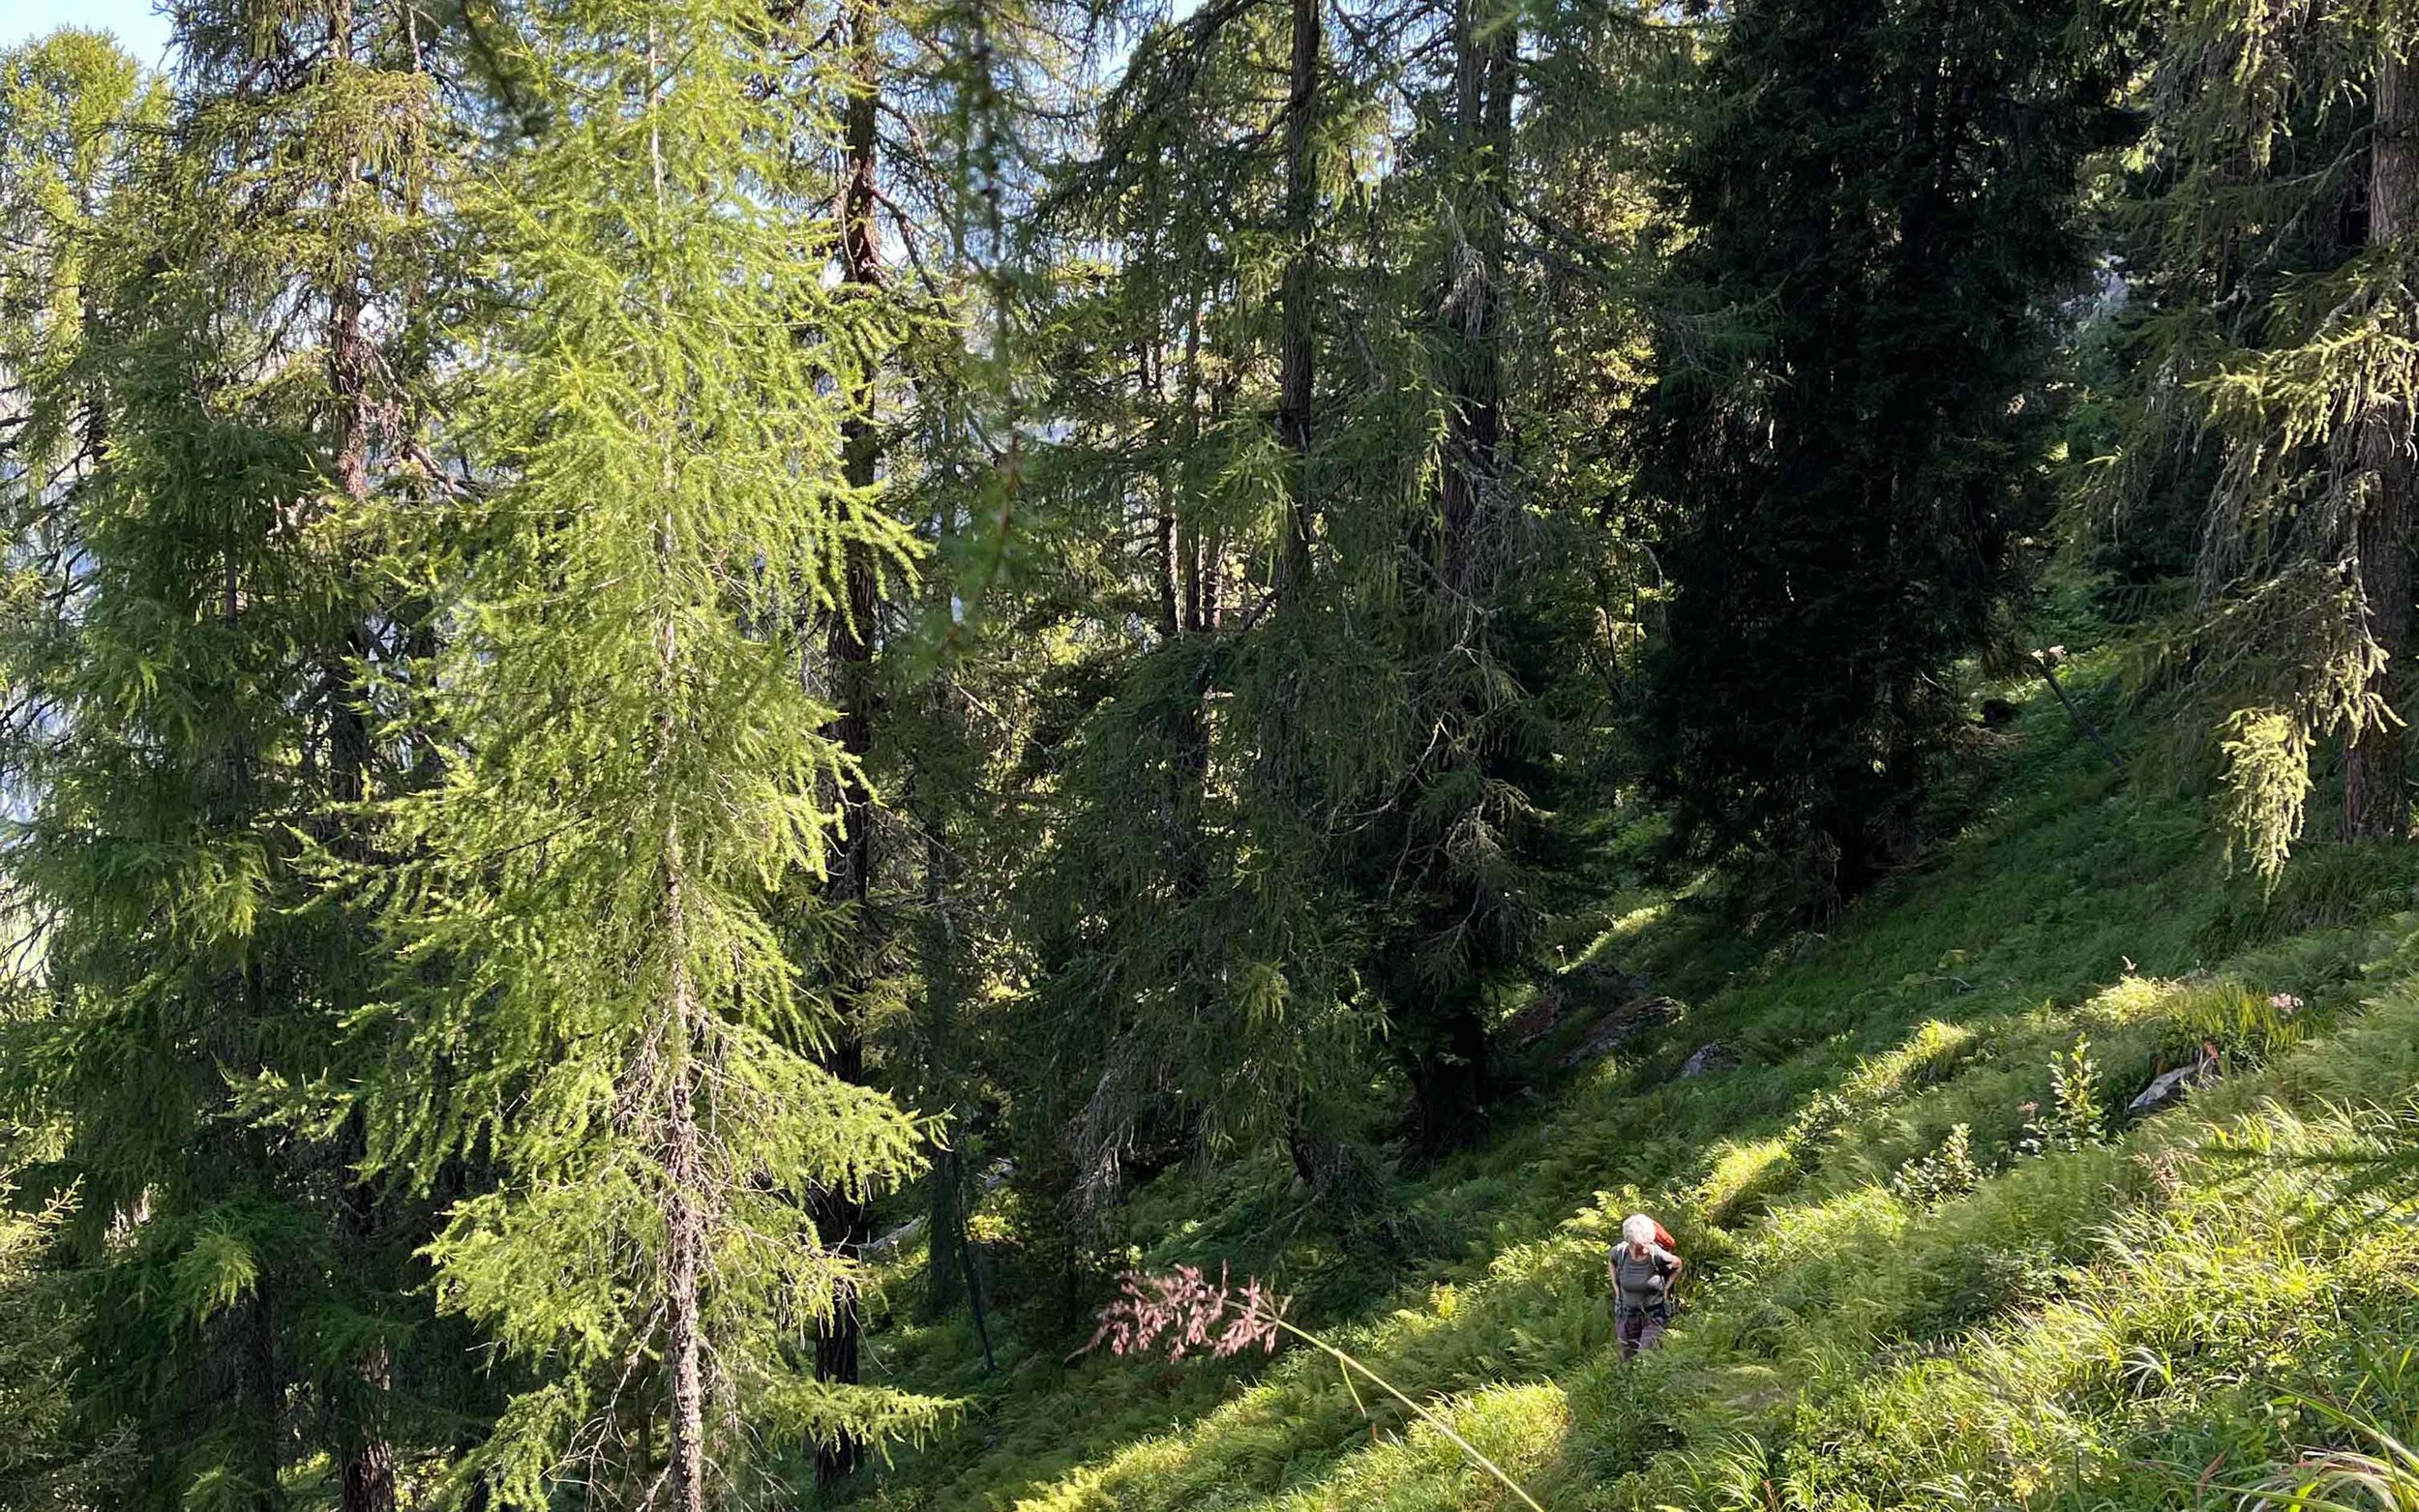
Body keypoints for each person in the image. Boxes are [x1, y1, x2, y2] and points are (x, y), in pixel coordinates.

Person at [1608, 1213, 1682, 1360]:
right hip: (1626, 1314)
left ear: (1648, 1240)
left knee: (1645, 1358)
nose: (1635, 1249)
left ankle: (1650, 1382)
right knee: (1627, 1359)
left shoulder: (1657, 1255)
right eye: (1632, 1244)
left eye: (1640, 1245)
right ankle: (1627, 1382)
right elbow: (1611, 1261)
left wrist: (1666, 1288)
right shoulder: (1620, 1252)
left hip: (1653, 1315)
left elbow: (1678, 1264)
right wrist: (1616, 1287)